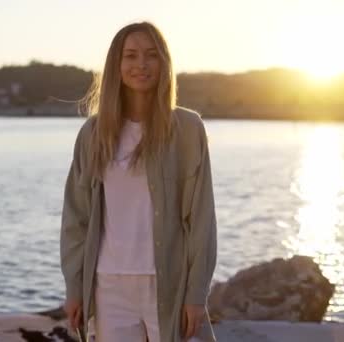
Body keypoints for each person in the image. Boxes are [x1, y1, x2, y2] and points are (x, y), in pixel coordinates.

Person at [60, 21, 217, 342]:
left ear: (164, 64)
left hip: (168, 283)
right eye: (130, 56)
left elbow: (201, 220)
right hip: (108, 286)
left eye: (151, 55)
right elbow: (76, 218)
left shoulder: (188, 129)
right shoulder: (93, 133)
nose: (141, 65)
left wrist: (196, 294)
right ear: (116, 66)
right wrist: (75, 287)